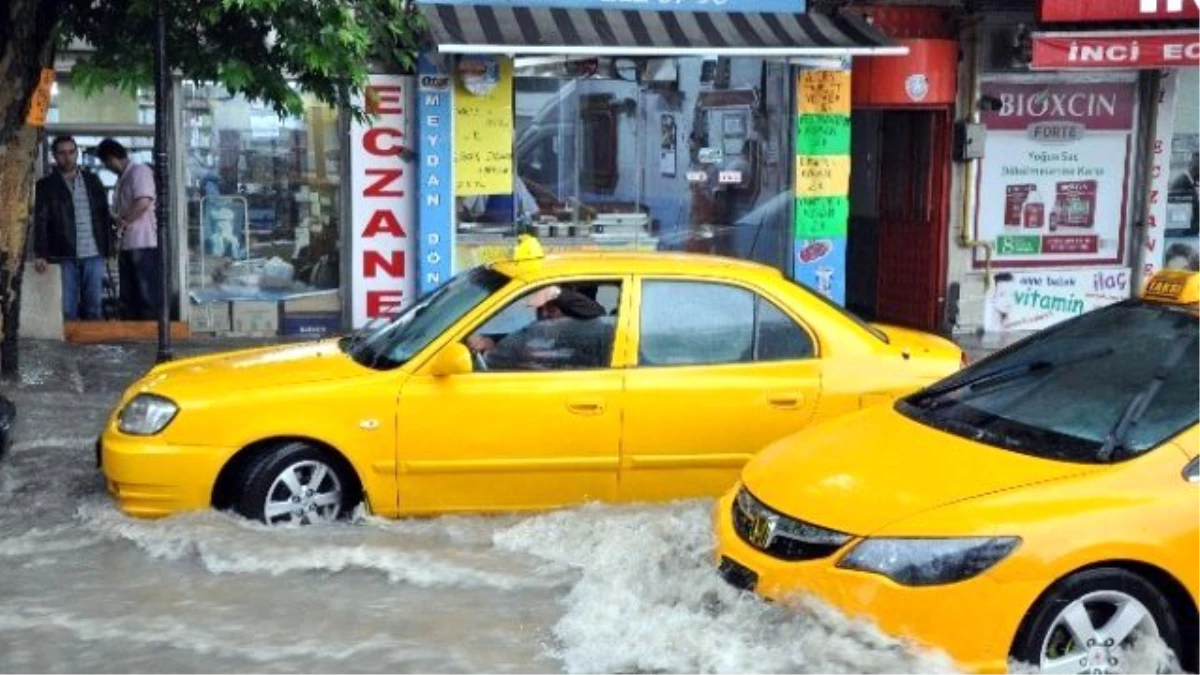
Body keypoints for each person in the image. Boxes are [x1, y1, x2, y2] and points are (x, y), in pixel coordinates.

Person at [32, 136, 115, 320]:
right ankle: (70, 349)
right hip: (63, 254)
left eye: (71, 152)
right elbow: (41, 221)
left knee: (94, 308)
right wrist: (41, 253)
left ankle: (93, 349)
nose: (67, 157)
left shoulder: (93, 181)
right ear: (54, 156)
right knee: (67, 309)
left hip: (93, 253)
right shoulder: (46, 186)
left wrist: (109, 248)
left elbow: (103, 216)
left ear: (77, 153)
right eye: (62, 153)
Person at [97, 139, 161, 320]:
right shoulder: (123, 178)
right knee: (129, 294)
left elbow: (143, 201)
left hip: (143, 243)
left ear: (112, 159)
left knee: (145, 293)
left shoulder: (139, 172)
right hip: (127, 243)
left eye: (106, 163)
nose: (107, 168)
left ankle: (149, 331)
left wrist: (123, 221)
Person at [1169, 152, 1200, 235]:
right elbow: (1181, 216)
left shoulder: (1187, 181)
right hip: (1184, 234)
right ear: (1196, 170)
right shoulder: (1182, 183)